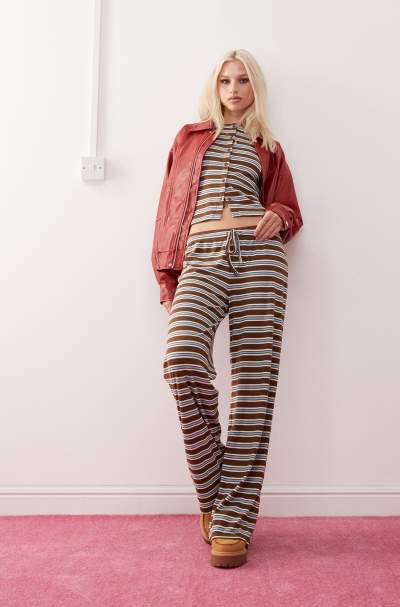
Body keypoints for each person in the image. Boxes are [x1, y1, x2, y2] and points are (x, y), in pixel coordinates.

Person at [151, 49, 304, 568]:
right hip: (203, 256)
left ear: (255, 88)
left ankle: (233, 521)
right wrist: (168, 280)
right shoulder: (189, 138)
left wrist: (279, 215)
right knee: (182, 360)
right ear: (214, 87)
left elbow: (288, 206)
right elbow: (167, 211)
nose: (234, 89)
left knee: (254, 387)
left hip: (261, 260)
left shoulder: (269, 146)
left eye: (242, 81)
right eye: (225, 81)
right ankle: (214, 495)